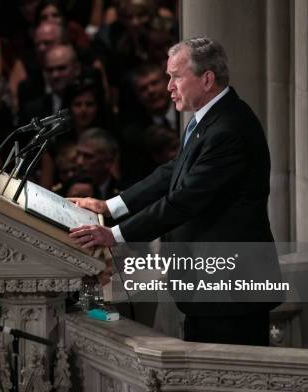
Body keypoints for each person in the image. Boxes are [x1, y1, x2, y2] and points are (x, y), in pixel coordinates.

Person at [69, 37, 278, 346]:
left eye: (176, 76)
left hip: (229, 293)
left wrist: (114, 235)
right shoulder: (209, 119)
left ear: (207, 79)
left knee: (224, 386)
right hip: (211, 289)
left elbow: (184, 200)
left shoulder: (229, 129)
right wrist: (110, 207)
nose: (169, 86)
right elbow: (172, 172)